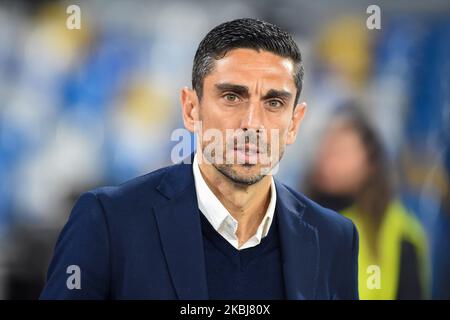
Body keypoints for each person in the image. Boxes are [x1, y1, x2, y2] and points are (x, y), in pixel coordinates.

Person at [40, 18, 358, 300]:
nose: (252, 122)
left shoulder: (334, 237)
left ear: (294, 123)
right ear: (192, 109)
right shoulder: (108, 222)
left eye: (274, 102)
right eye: (232, 96)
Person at [304, 104, 429, 299]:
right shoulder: (296, 218)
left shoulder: (399, 232)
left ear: (370, 162)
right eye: (326, 148)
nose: (328, 158)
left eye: (341, 151)